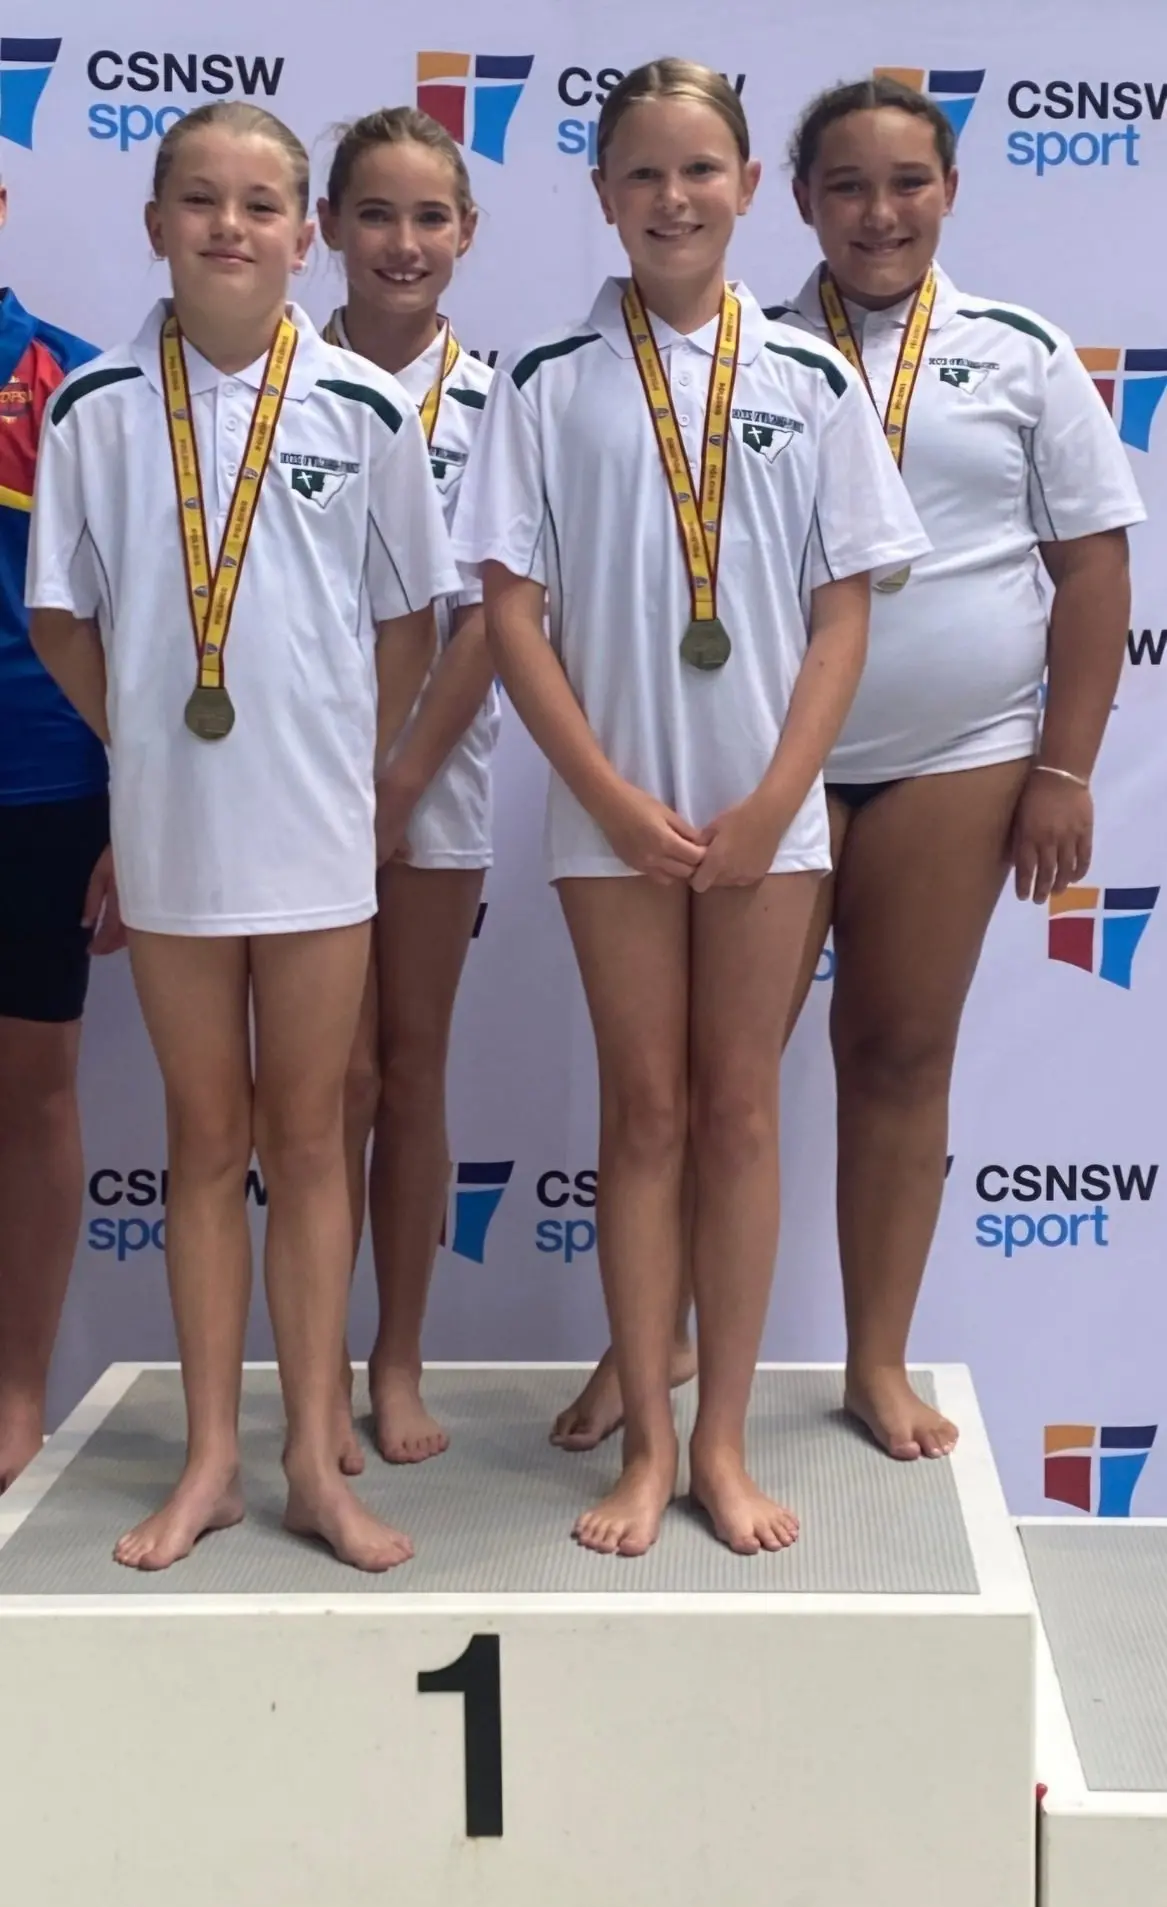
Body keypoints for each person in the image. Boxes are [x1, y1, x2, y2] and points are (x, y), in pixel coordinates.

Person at [559, 73, 1144, 1463]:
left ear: (947, 193)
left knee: (894, 1050)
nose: (878, 214)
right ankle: (656, 1344)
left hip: (951, 758)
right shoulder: (735, 349)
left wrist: (1062, 772)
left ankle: (873, 1360)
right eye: (846, 187)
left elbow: (1092, 571)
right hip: (755, 759)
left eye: (906, 184)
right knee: (706, 1079)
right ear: (796, 199)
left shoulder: (1018, 351)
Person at [453, 58, 927, 1556]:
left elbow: (843, 612)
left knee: (734, 1113)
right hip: (613, 815)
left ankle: (723, 1443)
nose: (672, 199)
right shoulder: (541, 383)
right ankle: (648, 1449)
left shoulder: (811, 378)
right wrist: (600, 786)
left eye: (699, 170)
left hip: (765, 816)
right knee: (643, 1111)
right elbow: (511, 615)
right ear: (601, 198)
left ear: (743, 191)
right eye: (642, 175)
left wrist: (779, 792)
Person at [27, 101, 461, 1571]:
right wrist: (142, 751)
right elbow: (61, 620)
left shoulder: (362, 408)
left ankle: (310, 1463)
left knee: (309, 1137)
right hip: (172, 838)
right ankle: (210, 1456)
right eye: (200, 199)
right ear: (154, 223)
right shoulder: (91, 409)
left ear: (307, 233)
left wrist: (348, 760)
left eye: (263, 202)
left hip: (316, 837)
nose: (231, 225)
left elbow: (411, 621)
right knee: (204, 1142)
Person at [316, 108, 498, 1470]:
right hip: (284, 779)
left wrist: (403, 776)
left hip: (431, 779)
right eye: (374, 214)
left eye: (428, 217)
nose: (402, 242)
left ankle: (396, 1359)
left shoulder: (500, 404)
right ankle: (312, 1362)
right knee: (331, 1084)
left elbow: (497, 613)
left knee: (417, 1068)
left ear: (466, 237)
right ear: (327, 229)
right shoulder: (267, 386)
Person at [0, 179, 121, 1494]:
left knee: (28, 1093)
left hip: (33, 786)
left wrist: (134, 813)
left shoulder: (73, 389)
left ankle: (17, 1392)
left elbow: (134, 620)